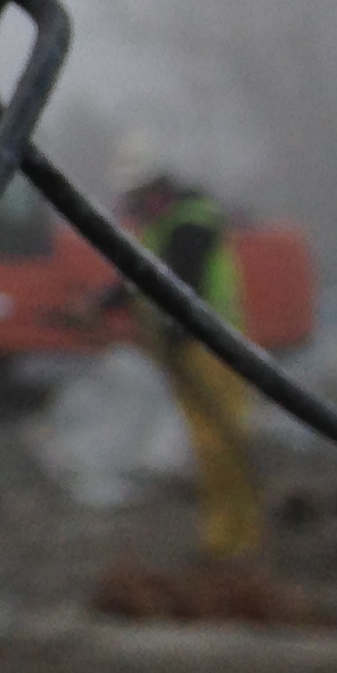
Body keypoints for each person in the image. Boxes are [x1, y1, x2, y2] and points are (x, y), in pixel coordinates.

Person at [113, 148, 264, 561]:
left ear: (155, 192)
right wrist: (100, 304)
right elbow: (145, 280)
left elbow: (175, 285)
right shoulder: (165, 227)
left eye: (136, 198)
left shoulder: (191, 224)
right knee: (207, 445)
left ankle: (240, 537)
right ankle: (224, 538)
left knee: (222, 443)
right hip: (188, 350)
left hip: (212, 349)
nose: (133, 209)